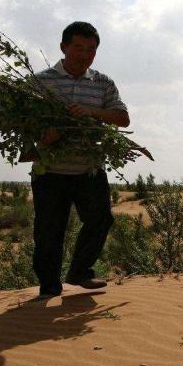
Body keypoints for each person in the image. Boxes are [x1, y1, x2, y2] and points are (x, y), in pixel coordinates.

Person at [31, 21, 130, 298]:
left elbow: (123, 118)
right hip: (50, 170)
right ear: (63, 47)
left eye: (91, 49)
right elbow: (24, 124)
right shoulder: (41, 81)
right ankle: (49, 287)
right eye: (78, 47)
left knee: (101, 219)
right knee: (49, 232)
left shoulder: (103, 83)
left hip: (90, 168)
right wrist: (43, 136)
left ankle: (80, 271)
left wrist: (90, 111)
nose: (84, 54)